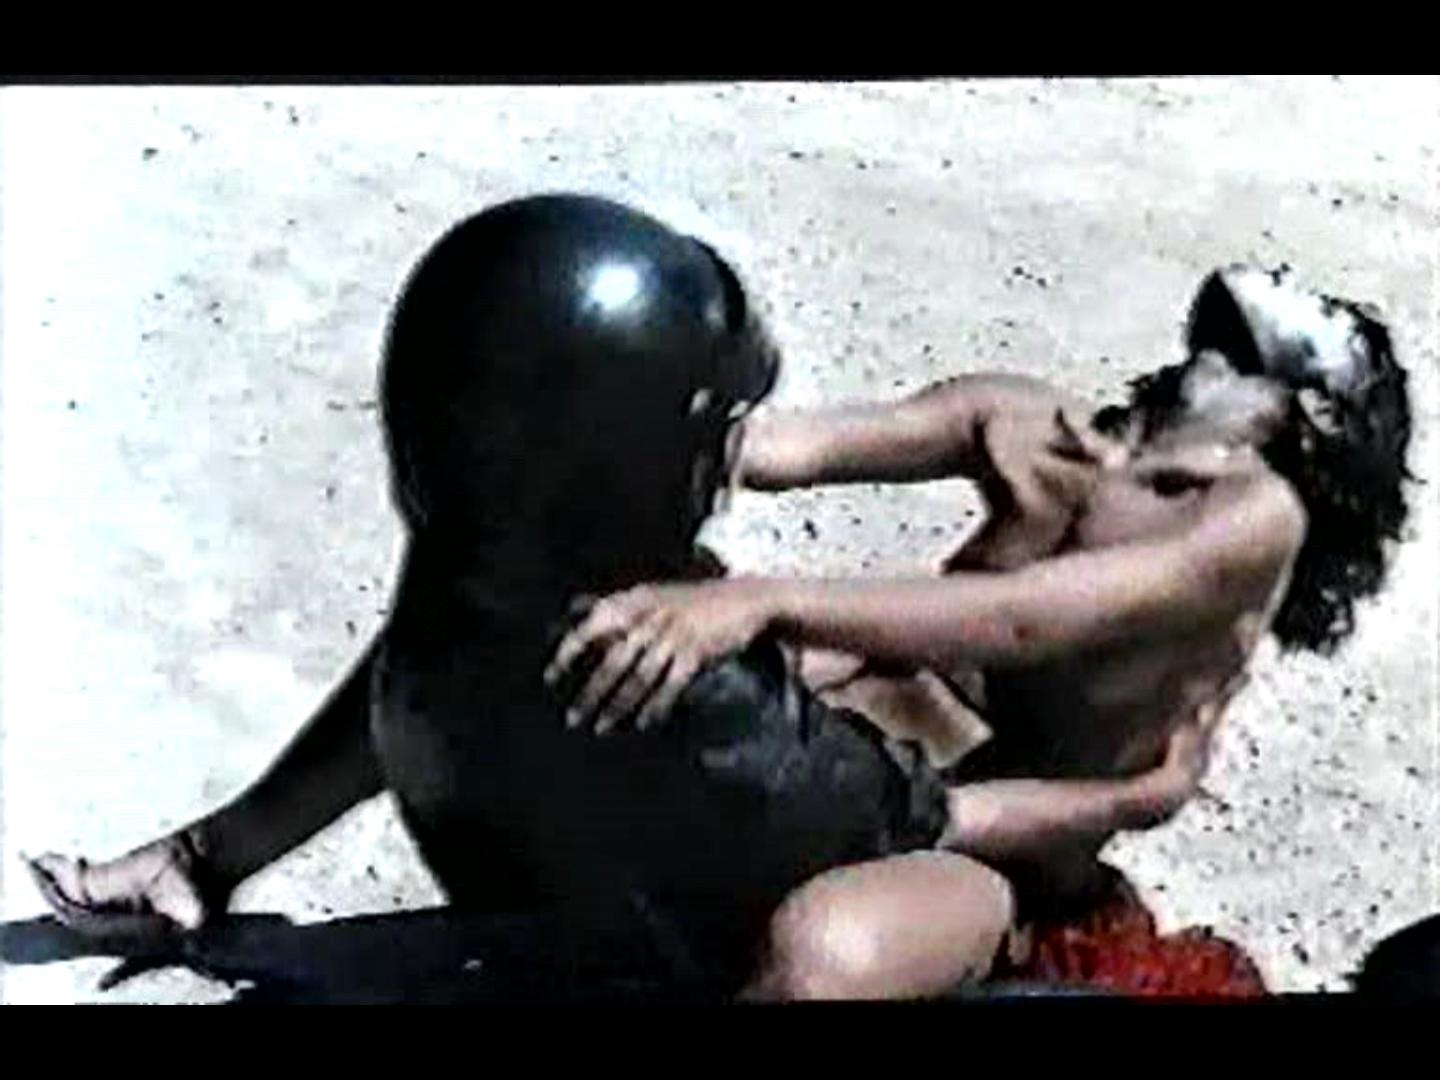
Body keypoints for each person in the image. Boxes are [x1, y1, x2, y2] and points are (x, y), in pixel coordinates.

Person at [547, 264, 1415, 999]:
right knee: (619, 645)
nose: (1214, 357)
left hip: (995, 850)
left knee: (822, 962)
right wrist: (611, 433)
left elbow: (1027, 619)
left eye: (1253, 360)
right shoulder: (1032, 423)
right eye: (1219, 338)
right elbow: (785, 450)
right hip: (832, 744)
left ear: (1321, 422)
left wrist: (765, 602)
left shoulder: (1255, 518)